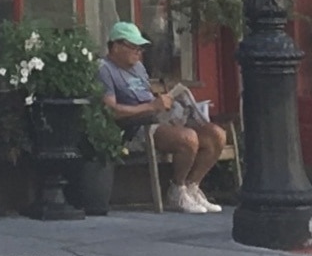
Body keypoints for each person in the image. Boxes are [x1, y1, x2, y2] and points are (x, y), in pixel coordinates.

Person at [97, 17, 233, 213]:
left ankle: (192, 187)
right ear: (116, 46)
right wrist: (152, 106)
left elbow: (147, 96)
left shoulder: (138, 68)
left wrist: (169, 102)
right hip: (135, 127)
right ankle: (176, 190)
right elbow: (111, 110)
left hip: (158, 118)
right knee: (188, 138)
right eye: (133, 47)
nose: (138, 52)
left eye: (140, 48)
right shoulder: (105, 70)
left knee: (215, 134)